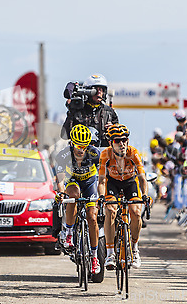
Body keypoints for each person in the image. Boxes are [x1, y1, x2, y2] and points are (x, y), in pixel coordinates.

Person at [98, 124, 148, 269]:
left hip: (129, 183)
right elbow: (101, 181)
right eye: (118, 141)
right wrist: (102, 197)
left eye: (125, 140)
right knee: (111, 211)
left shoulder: (133, 153)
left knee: (136, 212)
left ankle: (134, 248)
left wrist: (144, 195)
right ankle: (110, 253)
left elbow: (142, 179)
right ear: (110, 143)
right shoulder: (105, 155)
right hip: (112, 183)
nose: (122, 144)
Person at [54, 124, 101, 275]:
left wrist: (103, 195)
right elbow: (60, 180)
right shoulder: (63, 155)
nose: (81, 149)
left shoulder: (94, 154)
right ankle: (68, 233)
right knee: (73, 195)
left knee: (92, 217)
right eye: (78, 145)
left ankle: (94, 257)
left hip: (90, 183)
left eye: (85, 146)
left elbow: (103, 177)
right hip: (72, 180)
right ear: (72, 143)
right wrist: (61, 193)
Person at [61, 74, 119, 147]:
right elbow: (65, 135)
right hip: (81, 152)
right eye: (96, 90)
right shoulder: (78, 110)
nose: (99, 92)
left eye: (101, 89)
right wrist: (71, 113)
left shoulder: (109, 112)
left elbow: (118, 138)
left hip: (103, 154)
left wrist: (113, 130)